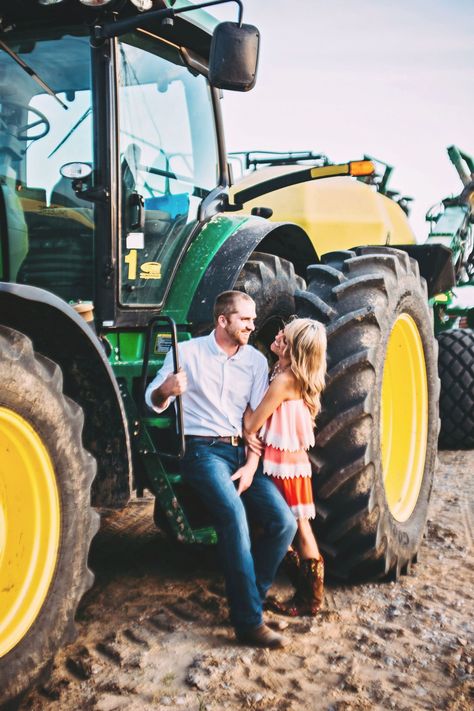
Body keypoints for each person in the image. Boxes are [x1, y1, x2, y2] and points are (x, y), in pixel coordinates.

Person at [145, 290, 297, 648]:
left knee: (284, 523)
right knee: (233, 515)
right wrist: (166, 389)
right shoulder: (188, 352)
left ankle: (251, 598)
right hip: (201, 451)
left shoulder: (256, 362)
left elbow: (256, 421)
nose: (253, 325)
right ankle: (248, 623)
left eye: (253, 319)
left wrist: (251, 465)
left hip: (241, 453)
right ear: (223, 320)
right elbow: (152, 401)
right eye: (246, 320)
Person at [242, 318, 327, 616]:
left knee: (297, 526)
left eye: (286, 339)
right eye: (282, 332)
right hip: (283, 461)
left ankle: (310, 599)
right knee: (288, 525)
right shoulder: (283, 371)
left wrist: (243, 406)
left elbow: (252, 424)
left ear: (296, 352)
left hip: (285, 465)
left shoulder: (283, 381)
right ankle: (305, 593)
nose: (278, 336)